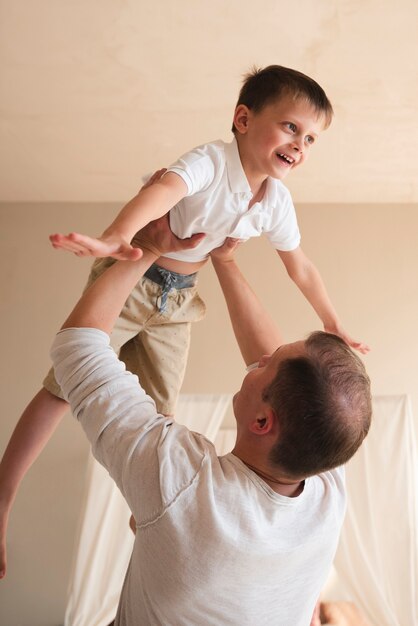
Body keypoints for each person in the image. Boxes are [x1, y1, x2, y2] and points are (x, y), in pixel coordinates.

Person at [0, 64, 369, 578]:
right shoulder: (212, 161)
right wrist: (115, 239)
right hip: (138, 275)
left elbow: (299, 266)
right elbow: (161, 193)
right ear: (243, 119)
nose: (300, 144)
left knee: (161, 416)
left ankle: (149, 523)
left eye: (310, 138)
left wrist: (333, 323)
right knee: (63, 386)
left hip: (178, 303)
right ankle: (4, 493)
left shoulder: (276, 202)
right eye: (290, 127)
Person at [49, 215, 371, 625]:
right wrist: (226, 262)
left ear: (261, 422)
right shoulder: (326, 484)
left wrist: (146, 249)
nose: (263, 356)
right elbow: (295, 391)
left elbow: (77, 349)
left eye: (268, 364)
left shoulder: (183, 482)